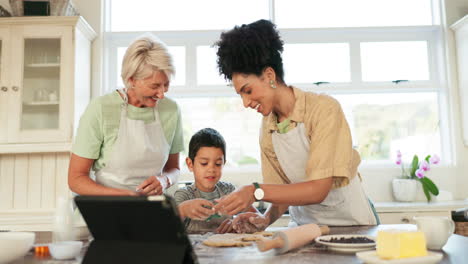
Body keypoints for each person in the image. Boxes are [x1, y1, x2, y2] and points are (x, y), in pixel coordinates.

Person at [212, 19, 379, 233]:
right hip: (305, 227)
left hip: (351, 225)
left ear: (270, 76)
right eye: (240, 95)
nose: (245, 103)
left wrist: (254, 191)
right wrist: (265, 219)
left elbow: (318, 190)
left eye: (248, 90)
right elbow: (281, 193)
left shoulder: (323, 110)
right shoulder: (268, 128)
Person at [68, 35, 183, 196]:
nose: (162, 94)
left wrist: (165, 180)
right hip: (107, 206)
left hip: (152, 207)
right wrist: (122, 197)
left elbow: (174, 168)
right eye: (155, 86)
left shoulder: (171, 110)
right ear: (131, 80)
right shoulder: (101, 109)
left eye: (166, 84)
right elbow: (76, 179)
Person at [175, 128, 257, 234]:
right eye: (204, 163)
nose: (211, 169)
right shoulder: (184, 195)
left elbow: (258, 220)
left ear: (224, 163)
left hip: (226, 248)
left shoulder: (229, 191)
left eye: (218, 164)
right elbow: (166, 230)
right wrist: (182, 210)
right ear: (190, 164)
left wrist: (238, 223)